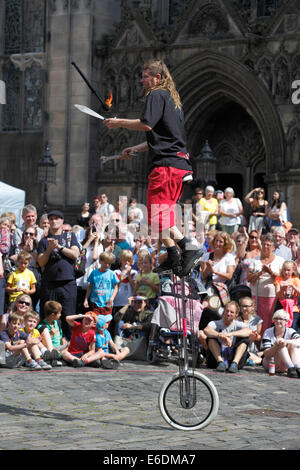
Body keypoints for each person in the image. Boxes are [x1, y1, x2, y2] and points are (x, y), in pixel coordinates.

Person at [104, 59, 202, 277]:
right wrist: (135, 149)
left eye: (146, 75)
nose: (142, 80)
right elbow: (160, 138)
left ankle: (188, 248)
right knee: (158, 216)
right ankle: (174, 258)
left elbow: (146, 123)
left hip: (167, 167)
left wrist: (118, 122)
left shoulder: (156, 95)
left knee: (158, 216)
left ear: (157, 78)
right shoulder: (172, 101)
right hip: (175, 164)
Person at [37, 210, 80, 339]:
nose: (54, 221)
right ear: (48, 222)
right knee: (49, 315)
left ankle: (70, 345)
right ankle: (49, 345)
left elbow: (75, 254)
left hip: (68, 283)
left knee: (68, 315)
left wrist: (59, 247)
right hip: (50, 283)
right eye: (51, 219)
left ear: (62, 221)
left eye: (57, 218)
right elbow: (41, 262)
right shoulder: (44, 241)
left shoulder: (70, 237)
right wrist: (50, 249)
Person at [247, 233, 284, 335]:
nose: (266, 247)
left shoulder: (280, 260)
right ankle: (256, 341)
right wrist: (260, 273)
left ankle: (266, 342)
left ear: (273, 247)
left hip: (271, 297)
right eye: (264, 244)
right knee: (255, 320)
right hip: (256, 296)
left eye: (268, 245)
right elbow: (249, 278)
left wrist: (270, 272)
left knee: (267, 321)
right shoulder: (255, 260)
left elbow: (282, 278)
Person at [203, 300, 251, 373]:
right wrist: (220, 335)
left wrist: (230, 334)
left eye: (231, 312)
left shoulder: (238, 324)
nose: (228, 314)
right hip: (216, 358)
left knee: (245, 340)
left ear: (236, 314)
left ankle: (235, 363)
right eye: (227, 311)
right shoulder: (215, 323)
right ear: (223, 312)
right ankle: (220, 363)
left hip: (232, 357)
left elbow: (248, 331)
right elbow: (206, 330)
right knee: (210, 338)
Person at [261, 309, 300, 378]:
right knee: (281, 346)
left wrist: (286, 341)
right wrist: (276, 346)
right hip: (271, 363)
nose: (278, 321)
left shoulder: (290, 331)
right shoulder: (268, 332)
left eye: (281, 319)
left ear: (286, 321)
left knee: (294, 345)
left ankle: (297, 368)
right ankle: (291, 368)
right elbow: (266, 354)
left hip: (284, 365)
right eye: (276, 318)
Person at [200, 231, 236, 307]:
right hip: (209, 288)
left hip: (223, 289)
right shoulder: (206, 256)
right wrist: (208, 268)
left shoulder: (229, 257)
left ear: (225, 244)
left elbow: (229, 275)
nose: (217, 243)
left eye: (221, 242)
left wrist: (214, 271)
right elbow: (203, 277)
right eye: (216, 241)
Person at [84, 251, 119, 316]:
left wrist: (112, 299)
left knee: (105, 323)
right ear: (100, 261)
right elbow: (90, 286)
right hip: (95, 302)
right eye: (105, 263)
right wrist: (86, 299)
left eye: (109, 263)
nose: (107, 265)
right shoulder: (94, 273)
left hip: (107, 303)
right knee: (96, 322)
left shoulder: (112, 274)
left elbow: (116, 287)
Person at [37, 300, 67, 365]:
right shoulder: (42, 326)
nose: (60, 315)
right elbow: (43, 341)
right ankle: (54, 358)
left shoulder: (58, 323)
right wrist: (51, 334)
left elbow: (61, 337)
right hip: (51, 350)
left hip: (60, 349)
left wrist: (63, 340)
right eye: (59, 313)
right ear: (53, 315)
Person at [274, 260, 300, 328]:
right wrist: (283, 289)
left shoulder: (296, 279)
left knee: (293, 328)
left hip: (293, 309)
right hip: (281, 307)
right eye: (284, 270)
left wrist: (292, 285)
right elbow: (277, 295)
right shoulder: (278, 279)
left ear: (293, 270)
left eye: (288, 270)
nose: (286, 272)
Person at [238, 296, 263, 365]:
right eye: (242, 306)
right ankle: (256, 361)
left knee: (265, 353)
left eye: (246, 306)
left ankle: (252, 360)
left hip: (253, 349)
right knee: (260, 359)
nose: (244, 308)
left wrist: (255, 336)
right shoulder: (236, 320)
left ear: (252, 307)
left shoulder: (257, 320)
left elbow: (259, 338)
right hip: (241, 348)